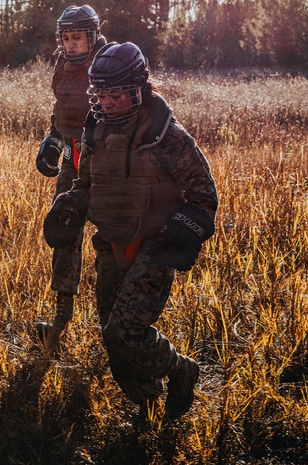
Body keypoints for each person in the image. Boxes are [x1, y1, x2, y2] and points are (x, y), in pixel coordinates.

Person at [45, 42, 217, 421]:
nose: (107, 103)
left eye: (117, 94)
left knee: (123, 332)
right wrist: (70, 206)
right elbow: (85, 185)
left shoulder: (168, 137)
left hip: (154, 248)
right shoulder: (96, 132)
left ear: (140, 88)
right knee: (113, 341)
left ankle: (180, 370)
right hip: (109, 244)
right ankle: (149, 411)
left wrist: (185, 227)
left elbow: (205, 195)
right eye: (101, 94)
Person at [34, 4, 108, 350]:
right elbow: (58, 107)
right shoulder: (62, 62)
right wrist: (52, 140)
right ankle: (62, 316)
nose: (71, 44)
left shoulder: (110, 63)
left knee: (111, 235)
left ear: (91, 36)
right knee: (63, 228)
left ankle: (115, 320)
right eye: (66, 37)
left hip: (106, 160)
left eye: (77, 37)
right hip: (71, 156)